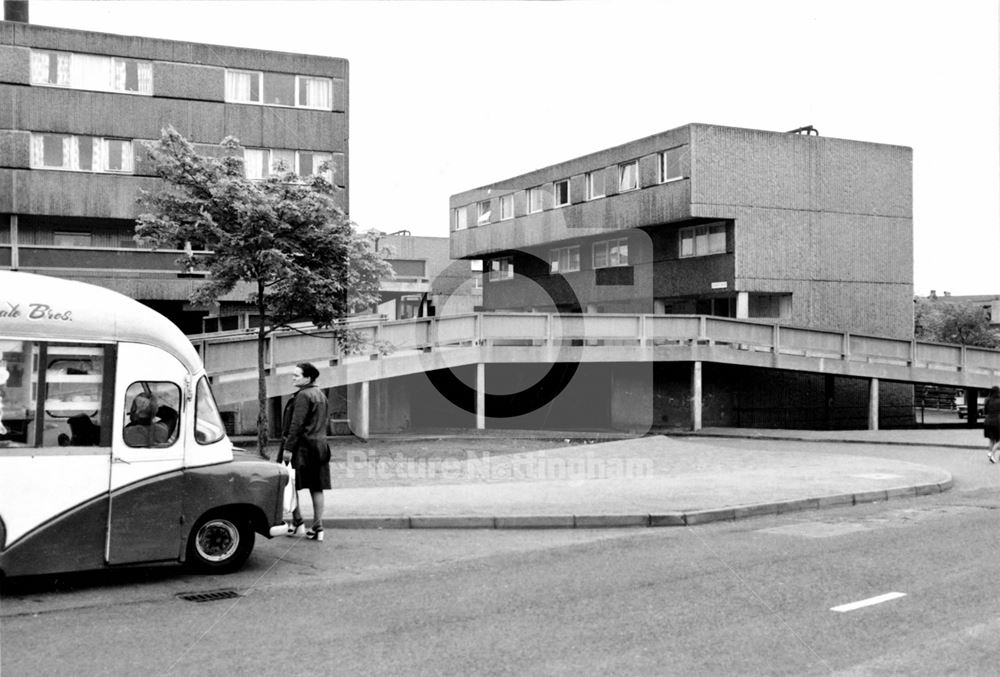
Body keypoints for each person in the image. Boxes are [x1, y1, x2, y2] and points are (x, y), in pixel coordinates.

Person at [278, 362, 331, 541]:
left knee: (291, 483)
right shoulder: (320, 395)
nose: (293, 378)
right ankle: (318, 527)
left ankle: (298, 523)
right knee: (317, 487)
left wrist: (288, 448)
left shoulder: (302, 395)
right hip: (320, 446)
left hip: (301, 447)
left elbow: (296, 424)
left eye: (296, 375)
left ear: (307, 378)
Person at [986, 386, 1000, 463]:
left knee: (992, 438)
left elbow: (985, 411)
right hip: (997, 421)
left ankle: (989, 452)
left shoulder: (987, 400)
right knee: (998, 440)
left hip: (988, 420)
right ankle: (992, 454)